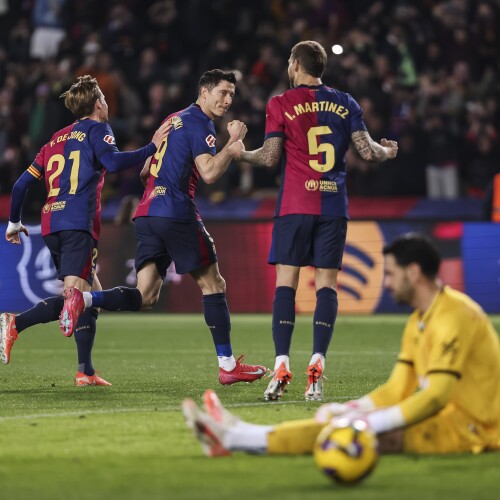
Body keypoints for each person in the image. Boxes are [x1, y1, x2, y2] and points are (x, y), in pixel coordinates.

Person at [183, 233, 500, 456]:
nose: (387, 283)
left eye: (391, 274)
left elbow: (436, 396)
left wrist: (368, 422)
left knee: (346, 433)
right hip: (452, 419)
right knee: (342, 425)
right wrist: (352, 409)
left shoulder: (455, 316)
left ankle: (236, 437)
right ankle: (237, 434)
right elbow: (397, 389)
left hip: (476, 428)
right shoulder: (420, 320)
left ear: (414, 272)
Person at [60, 69, 267, 385]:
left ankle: (84, 300)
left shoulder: (173, 119)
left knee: (146, 296)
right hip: (176, 211)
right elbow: (210, 173)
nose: (227, 100)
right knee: (214, 284)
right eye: (222, 92)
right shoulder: (201, 122)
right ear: (204, 92)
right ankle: (227, 367)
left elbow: (145, 170)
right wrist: (232, 143)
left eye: (231, 95)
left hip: (147, 213)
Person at [228, 41, 398, 401]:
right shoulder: (345, 102)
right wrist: (388, 151)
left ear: (295, 65)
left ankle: (281, 365)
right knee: (327, 287)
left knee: (286, 285)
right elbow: (367, 151)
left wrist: (240, 155)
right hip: (332, 207)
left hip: (295, 205)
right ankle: (317, 363)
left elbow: (270, 157)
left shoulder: (280, 103)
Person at [0, 75, 170, 385]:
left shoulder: (54, 140)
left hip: (51, 224)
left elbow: (21, 184)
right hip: (77, 223)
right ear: (97, 105)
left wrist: (13, 222)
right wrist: (152, 147)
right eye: (103, 98)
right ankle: (15, 323)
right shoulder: (98, 129)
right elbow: (114, 163)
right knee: (76, 298)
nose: (106, 103)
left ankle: (85, 371)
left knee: (90, 298)